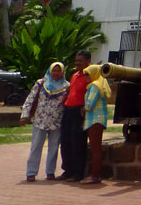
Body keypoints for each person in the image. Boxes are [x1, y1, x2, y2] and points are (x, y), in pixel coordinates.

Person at [20, 62, 70, 181]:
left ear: (63, 72)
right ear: (50, 70)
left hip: (57, 121)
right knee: (36, 146)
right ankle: (31, 173)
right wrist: (24, 115)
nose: (56, 73)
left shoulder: (67, 86)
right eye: (54, 70)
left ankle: (50, 172)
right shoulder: (41, 83)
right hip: (39, 120)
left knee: (54, 148)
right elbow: (30, 99)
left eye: (59, 71)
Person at [60, 49, 91, 181]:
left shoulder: (90, 76)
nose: (77, 63)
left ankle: (78, 173)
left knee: (77, 142)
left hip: (80, 111)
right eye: (76, 60)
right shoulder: (75, 75)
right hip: (68, 109)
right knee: (65, 141)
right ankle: (67, 170)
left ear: (88, 62)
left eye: (81, 61)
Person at [81, 64, 110, 184]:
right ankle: (95, 174)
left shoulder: (94, 86)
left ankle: (95, 175)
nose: (86, 76)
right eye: (85, 74)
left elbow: (89, 104)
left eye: (88, 74)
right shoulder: (100, 84)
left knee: (95, 149)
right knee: (96, 149)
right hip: (98, 120)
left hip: (94, 120)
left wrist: (82, 109)